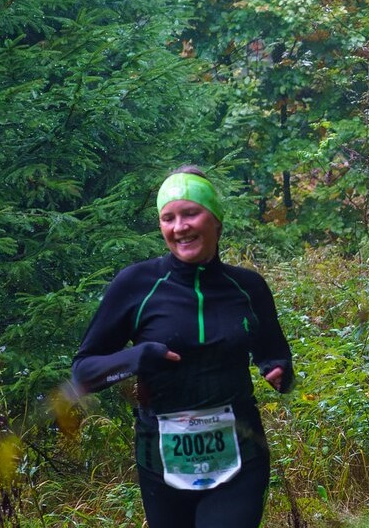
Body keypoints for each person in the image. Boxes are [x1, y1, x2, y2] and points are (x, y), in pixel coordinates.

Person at [71, 166, 296, 528]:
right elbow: (83, 372)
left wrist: (279, 370)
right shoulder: (137, 284)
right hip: (161, 458)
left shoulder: (248, 287)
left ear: (216, 220)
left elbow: (274, 351)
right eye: (168, 218)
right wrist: (136, 357)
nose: (180, 227)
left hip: (240, 450)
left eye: (191, 213)